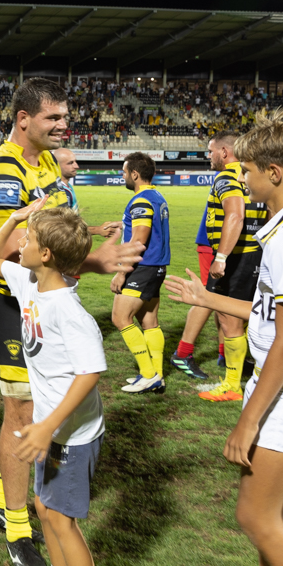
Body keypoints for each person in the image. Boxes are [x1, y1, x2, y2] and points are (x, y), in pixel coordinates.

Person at [166, 112, 283, 566]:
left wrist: (247, 421)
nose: (240, 180)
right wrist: (206, 299)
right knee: (277, 518)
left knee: (255, 516)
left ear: (273, 173)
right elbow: (269, 314)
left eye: (246, 172)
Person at [0, 78, 140, 566]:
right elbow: (26, 252)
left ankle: (3, 496)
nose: (65, 125)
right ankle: (18, 527)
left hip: (47, 299)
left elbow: (55, 232)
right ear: (23, 120)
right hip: (13, 303)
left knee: (45, 405)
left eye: (65, 116)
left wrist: (89, 238)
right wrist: (94, 262)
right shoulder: (2, 170)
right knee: (23, 410)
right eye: (53, 118)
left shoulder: (46, 163)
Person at [0, 204, 106, 566]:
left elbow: (91, 373)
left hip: (70, 435)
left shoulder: (69, 311)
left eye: (29, 240)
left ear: (46, 255)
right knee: (43, 506)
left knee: (61, 521)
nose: (22, 243)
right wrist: (16, 220)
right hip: (47, 432)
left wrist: (49, 426)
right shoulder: (29, 283)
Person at [198, 131, 266, 403]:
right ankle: (251, 374)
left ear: (225, 152)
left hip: (236, 257)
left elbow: (235, 215)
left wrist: (222, 256)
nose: (209, 156)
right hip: (255, 255)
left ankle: (232, 385)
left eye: (211, 151)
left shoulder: (228, 176)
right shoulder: (254, 174)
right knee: (251, 316)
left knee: (230, 319)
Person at [111, 152, 170, 394]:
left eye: (124, 172)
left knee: (120, 317)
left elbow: (139, 240)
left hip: (142, 268)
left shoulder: (141, 201)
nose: (123, 176)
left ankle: (148, 374)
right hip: (157, 268)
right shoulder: (156, 196)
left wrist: (122, 272)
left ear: (134, 174)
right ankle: (157, 376)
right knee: (149, 322)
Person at [168, 207, 218, 381]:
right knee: (208, 296)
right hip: (216, 242)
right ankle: (182, 354)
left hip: (222, 241)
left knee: (223, 296)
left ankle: (225, 353)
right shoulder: (231, 179)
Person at [52, 148, 120, 237]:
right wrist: (98, 230)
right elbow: (62, 228)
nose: (76, 166)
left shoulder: (67, 187)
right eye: (70, 163)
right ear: (55, 166)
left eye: (75, 162)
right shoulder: (57, 191)